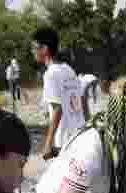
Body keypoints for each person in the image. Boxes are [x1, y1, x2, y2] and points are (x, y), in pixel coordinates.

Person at [34, 28, 87, 159]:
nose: (33, 52)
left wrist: (48, 143)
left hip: (64, 141)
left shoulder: (50, 74)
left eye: (35, 48)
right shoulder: (69, 69)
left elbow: (58, 108)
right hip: (78, 134)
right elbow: (81, 100)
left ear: (44, 49)